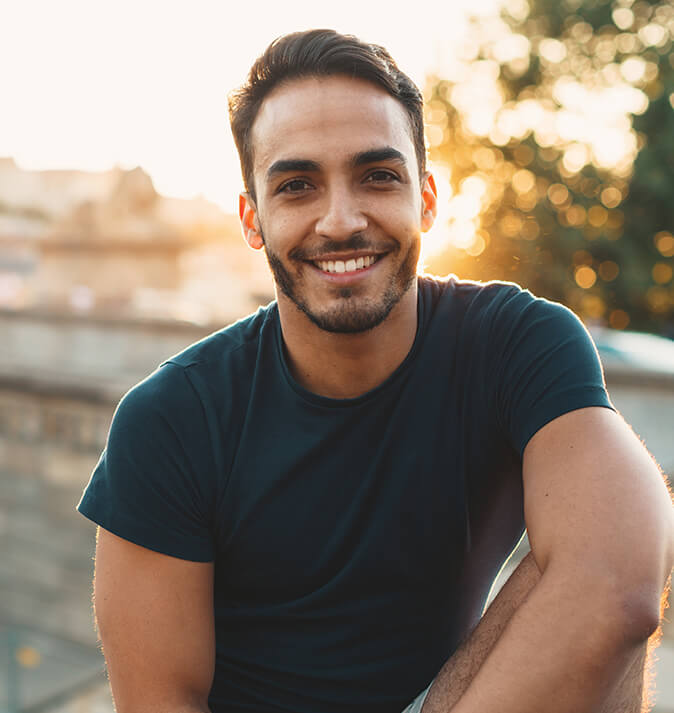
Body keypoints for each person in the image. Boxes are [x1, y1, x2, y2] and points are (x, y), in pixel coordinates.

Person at [78, 29, 673, 713]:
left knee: (594, 552)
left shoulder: (515, 341)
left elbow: (623, 582)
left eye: (377, 176)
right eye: (298, 185)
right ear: (252, 218)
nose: (341, 220)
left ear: (426, 198)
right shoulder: (173, 420)